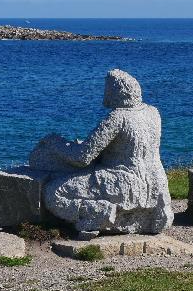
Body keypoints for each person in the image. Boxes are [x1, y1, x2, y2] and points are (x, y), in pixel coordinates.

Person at [29, 69, 173, 236]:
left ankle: (100, 214)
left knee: (53, 193)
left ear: (115, 91)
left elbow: (82, 157)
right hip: (155, 183)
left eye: (107, 88)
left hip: (126, 182)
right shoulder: (153, 112)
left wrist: (53, 141)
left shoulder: (117, 117)